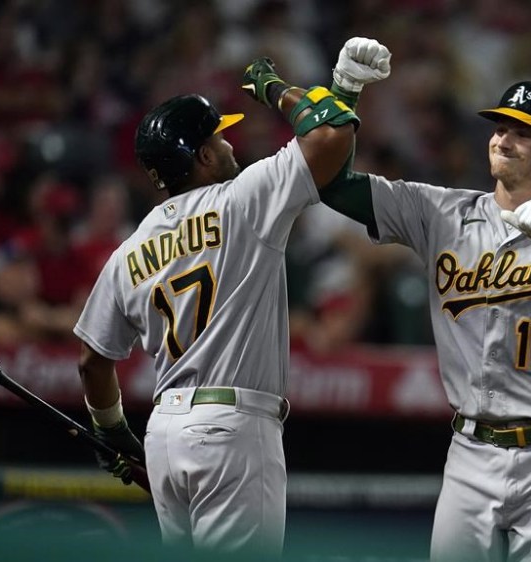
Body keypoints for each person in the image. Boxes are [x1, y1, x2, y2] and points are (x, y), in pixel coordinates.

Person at [71, 38, 390, 557]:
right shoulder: (244, 199)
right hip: (232, 428)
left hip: (163, 434)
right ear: (201, 155)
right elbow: (331, 136)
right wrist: (275, 88)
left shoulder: (129, 249)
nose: (229, 145)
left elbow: (92, 360)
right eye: (219, 138)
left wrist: (112, 431)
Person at [310, 71, 531, 560]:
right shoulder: (441, 211)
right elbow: (332, 184)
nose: (503, 139)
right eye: (500, 128)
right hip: (471, 448)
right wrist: (344, 97)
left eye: (522, 133)